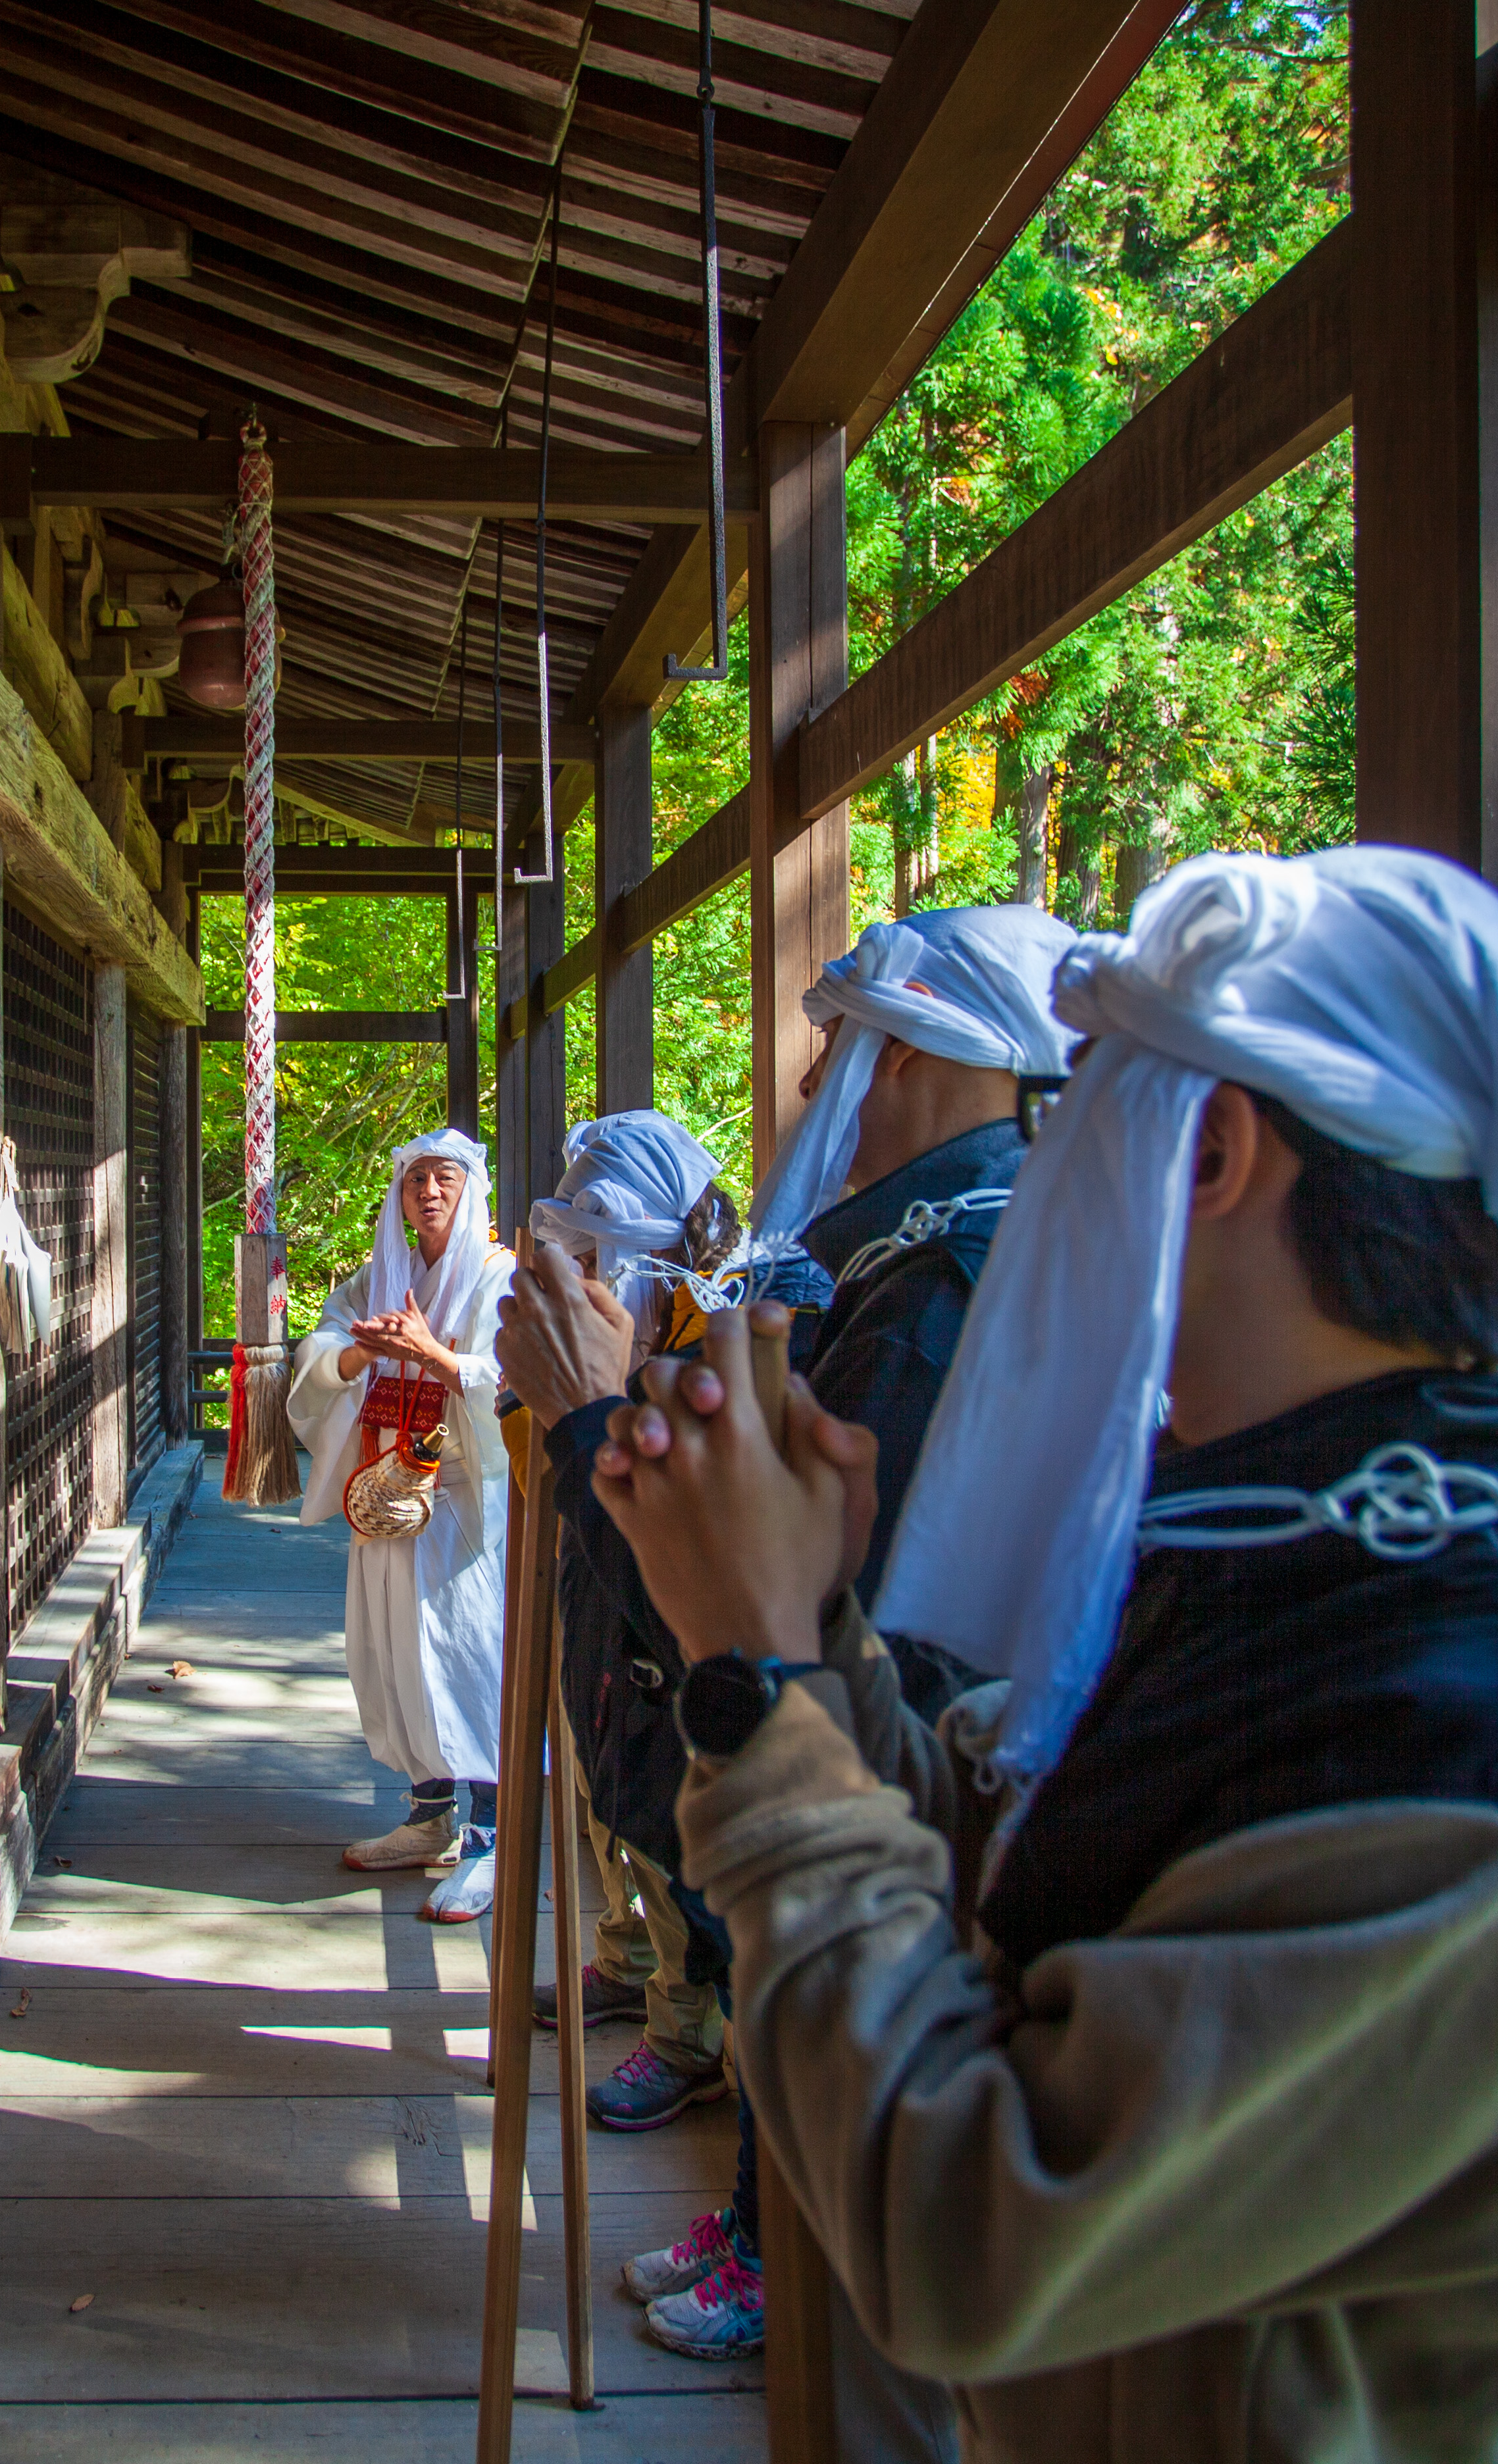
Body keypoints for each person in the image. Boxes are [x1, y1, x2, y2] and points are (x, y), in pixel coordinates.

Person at [591, 849, 1498, 2462]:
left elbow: (965, 2233)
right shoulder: (1313, 1554)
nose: (1044, 1156)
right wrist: (811, 1628)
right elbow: (1035, 1865)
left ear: (1207, 1149)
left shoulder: (1462, 1744)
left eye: (1079, 1113)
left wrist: (756, 1665)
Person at [497, 905, 1074, 2381]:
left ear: (926, 1048)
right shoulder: (897, 1260)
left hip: (890, 1790)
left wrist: (590, 1426)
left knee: (805, 1988)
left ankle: (794, 2257)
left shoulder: (943, 1281)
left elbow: (806, 1620)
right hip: (873, 1772)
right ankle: (765, 2220)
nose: (817, 1081)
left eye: (841, 1038)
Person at [502, 1113, 748, 2131]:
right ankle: (622, 1961)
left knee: (663, 1831)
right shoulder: (613, 1348)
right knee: (601, 1805)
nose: (591, 1277)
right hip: (592, 1608)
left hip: (666, 1639)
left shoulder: (721, 1349)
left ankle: (682, 2034)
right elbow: (540, 1468)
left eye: (605, 1255)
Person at [292, 1129, 520, 1924]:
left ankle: (493, 1841)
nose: (428, 1191)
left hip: (459, 1496)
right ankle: (430, 1816)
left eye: (445, 1178)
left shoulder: (499, 1277)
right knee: (391, 1655)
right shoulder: (377, 1275)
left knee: (467, 1663)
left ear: (472, 1190)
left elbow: (509, 1376)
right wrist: (354, 1359)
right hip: (384, 1489)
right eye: (416, 1177)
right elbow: (321, 1342)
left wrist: (435, 1355)